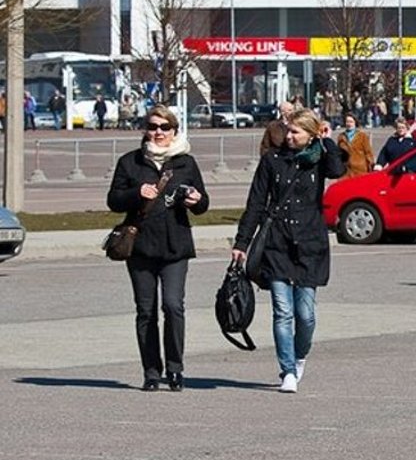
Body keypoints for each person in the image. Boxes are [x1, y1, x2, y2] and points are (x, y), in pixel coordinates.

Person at [231, 109, 347, 393]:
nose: (289, 136)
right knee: (282, 311)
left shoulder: (319, 159)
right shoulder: (272, 160)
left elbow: (337, 169)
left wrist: (327, 140)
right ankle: (288, 370)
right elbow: (256, 203)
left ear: (310, 133)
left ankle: (299, 355)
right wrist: (242, 243)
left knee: (305, 314)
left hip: (309, 243)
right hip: (278, 242)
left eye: (296, 132)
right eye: (288, 130)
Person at [106, 106, 210, 392]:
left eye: (165, 127)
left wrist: (196, 200)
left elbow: (202, 205)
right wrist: (135, 193)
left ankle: (175, 369)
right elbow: (113, 200)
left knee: (173, 306)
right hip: (140, 247)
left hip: (175, 246)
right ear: (145, 129)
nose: (159, 132)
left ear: (174, 130)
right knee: (146, 311)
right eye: (153, 126)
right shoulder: (130, 162)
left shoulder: (185, 163)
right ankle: (151, 372)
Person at [335, 112, 375, 178]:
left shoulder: (362, 136)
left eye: (351, 122)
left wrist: (371, 166)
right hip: (346, 171)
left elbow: (368, 153)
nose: (349, 124)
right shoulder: (341, 137)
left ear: (355, 123)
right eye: (347, 122)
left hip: (360, 170)